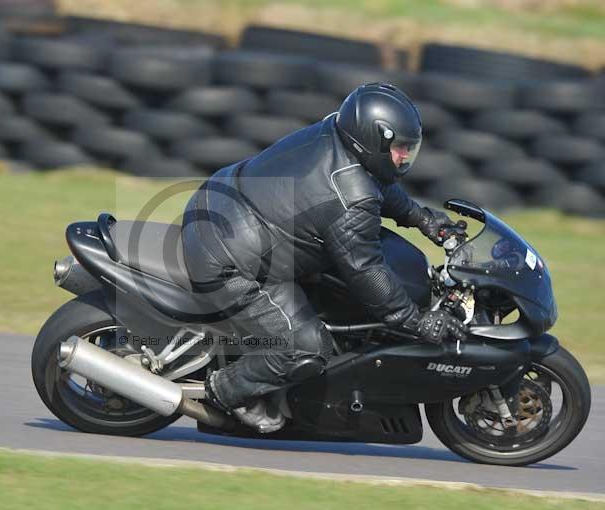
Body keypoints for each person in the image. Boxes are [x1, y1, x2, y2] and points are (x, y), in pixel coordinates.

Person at [180, 82, 467, 433]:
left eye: (409, 148)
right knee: (305, 348)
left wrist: (422, 218)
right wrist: (414, 321)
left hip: (218, 201)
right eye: (399, 149)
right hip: (230, 262)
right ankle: (227, 392)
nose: (405, 157)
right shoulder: (350, 198)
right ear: (372, 141)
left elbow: (376, 183)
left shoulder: (335, 132)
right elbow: (365, 270)